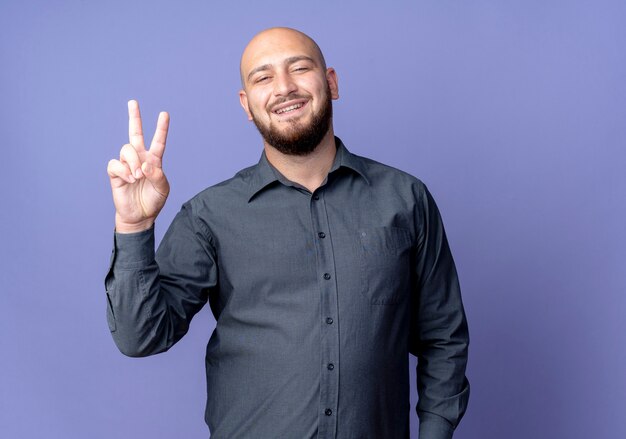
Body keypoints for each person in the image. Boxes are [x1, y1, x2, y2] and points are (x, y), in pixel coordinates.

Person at [105, 27, 469, 439]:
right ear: (246, 104)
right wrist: (135, 226)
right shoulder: (209, 215)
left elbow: (443, 338)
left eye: (299, 68)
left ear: (330, 82)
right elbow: (142, 336)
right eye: (262, 77)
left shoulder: (406, 199)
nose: (284, 88)